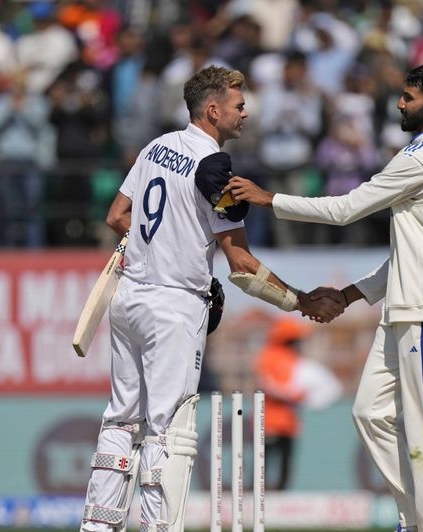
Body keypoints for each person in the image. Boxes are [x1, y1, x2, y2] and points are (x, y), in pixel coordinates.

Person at [80, 65, 341, 532]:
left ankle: (98, 526)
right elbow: (240, 264)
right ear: (214, 110)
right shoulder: (215, 168)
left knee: (121, 420)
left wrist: (161, 249)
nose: (246, 113)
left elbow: (118, 215)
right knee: (168, 429)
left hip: (130, 298)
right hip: (174, 308)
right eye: (239, 106)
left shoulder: (156, 146)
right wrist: (301, 302)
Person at [225, 63, 423, 531]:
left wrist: (268, 199)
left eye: (409, 97)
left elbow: (343, 209)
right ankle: (417, 518)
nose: (399, 103)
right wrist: (348, 295)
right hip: (407, 306)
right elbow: (408, 253)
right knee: (371, 413)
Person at [254, 317, 309, 491]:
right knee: (264, 461)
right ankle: (259, 495)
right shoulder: (269, 355)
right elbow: (266, 382)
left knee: (286, 462)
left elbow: (302, 383)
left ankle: (281, 495)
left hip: (289, 422)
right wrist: (287, 394)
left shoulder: (295, 358)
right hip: (269, 420)